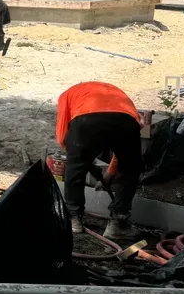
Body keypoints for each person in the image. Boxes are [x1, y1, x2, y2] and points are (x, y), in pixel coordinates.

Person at [56, 81, 143, 239]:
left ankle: (74, 219)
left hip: (86, 121)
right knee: (131, 169)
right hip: (127, 120)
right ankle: (118, 223)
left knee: (74, 170)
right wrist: (110, 173)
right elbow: (125, 155)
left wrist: (78, 158)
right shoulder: (117, 95)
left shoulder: (67, 95)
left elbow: (62, 134)